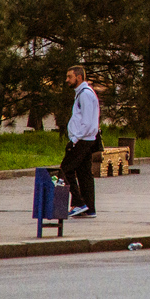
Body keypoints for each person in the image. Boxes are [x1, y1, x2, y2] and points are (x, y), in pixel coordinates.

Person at [60, 65, 100, 219]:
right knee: (84, 174)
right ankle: (89, 209)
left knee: (65, 169)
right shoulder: (82, 94)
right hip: (85, 139)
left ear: (79, 77)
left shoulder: (85, 94)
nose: (67, 80)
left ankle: (78, 203)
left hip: (82, 140)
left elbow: (88, 122)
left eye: (70, 77)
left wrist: (75, 140)